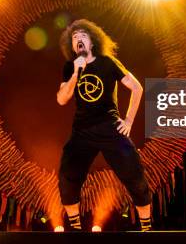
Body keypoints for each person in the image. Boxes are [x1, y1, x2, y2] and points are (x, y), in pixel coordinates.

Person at [56, 19, 152, 232]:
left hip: (110, 128)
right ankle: (77, 230)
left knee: (135, 176)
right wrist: (75, 73)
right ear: (72, 46)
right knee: (67, 178)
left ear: (93, 40)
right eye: (74, 37)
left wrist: (128, 120)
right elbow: (62, 99)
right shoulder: (70, 67)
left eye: (83, 35)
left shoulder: (108, 62)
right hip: (82, 131)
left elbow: (136, 88)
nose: (78, 38)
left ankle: (147, 228)